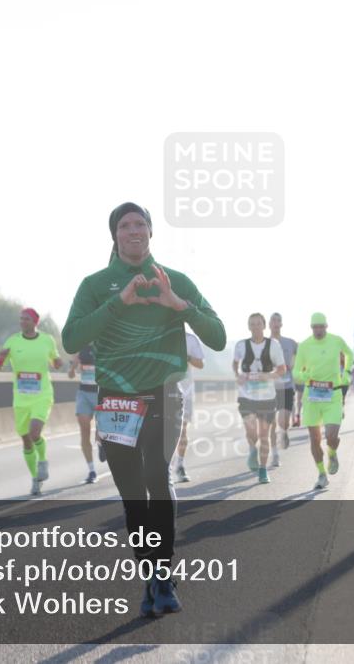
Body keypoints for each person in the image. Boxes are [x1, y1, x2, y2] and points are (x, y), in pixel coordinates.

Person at [62, 202, 225, 618]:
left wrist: (178, 305)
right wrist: (119, 303)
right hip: (117, 400)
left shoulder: (177, 280)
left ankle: (164, 577)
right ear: (114, 236)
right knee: (133, 497)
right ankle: (150, 574)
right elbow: (71, 338)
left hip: (166, 392)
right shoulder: (95, 284)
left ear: (151, 232)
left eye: (140, 224)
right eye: (124, 225)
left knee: (158, 475)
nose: (133, 231)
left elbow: (219, 337)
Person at [0, 307, 63, 496]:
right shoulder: (12, 341)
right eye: (21, 319)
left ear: (34, 322)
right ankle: (35, 479)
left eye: (26, 319)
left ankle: (43, 461)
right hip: (21, 398)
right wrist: (0, 359)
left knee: (34, 433)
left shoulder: (47, 340)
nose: (22, 321)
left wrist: (58, 363)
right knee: (25, 439)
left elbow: (56, 361)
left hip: (42, 395)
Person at [294, 313, 354, 490]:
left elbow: (349, 354)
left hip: (332, 395)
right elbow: (296, 373)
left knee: (331, 436)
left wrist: (347, 373)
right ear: (311, 328)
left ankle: (332, 452)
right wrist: (303, 375)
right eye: (315, 327)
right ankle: (321, 474)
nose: (318, 330)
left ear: (326, 327)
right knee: (314, 439)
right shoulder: (304, 346)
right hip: (312, 397)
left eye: (321, 326)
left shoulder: (336, 341)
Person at [232, 314, 286, 484]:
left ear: (264, 326)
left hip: (267, 398)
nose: (255, 327)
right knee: (251, 432)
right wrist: (238, 375)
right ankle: (252, 450)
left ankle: (263, 470)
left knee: (264, 435)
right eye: (252, 324)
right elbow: (235, 363)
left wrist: (268, 375)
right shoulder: (241, 345)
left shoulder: (273, 345)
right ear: (249, 327)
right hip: (246, 396)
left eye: (258, 324)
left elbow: (282, 369)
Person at [173, 331, 205, 483]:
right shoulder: (159, 333)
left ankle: (179, 465)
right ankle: (162, 467)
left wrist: (187, 357)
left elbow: (200, 364)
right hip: (163, 388)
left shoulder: (191, 339)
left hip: (185, 390)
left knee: (182, 429)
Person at [267, 312, 297, 458]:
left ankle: (284, 432)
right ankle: (274, 452)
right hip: (269, 387)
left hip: (286, 386)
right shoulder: (263, 343)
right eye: (273, 320)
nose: (276, 323)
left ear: (281, 324)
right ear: (269, 324)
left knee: (284, 420)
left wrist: (296, 365)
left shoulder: (290, 343)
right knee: (271, 421)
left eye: (278, 320)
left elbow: (303, 355)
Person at [68, 344, 99, 483]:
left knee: (103, 431)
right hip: (84, 393)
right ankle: (92, 470)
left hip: (100, 393)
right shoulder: (81, 348)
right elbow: (70, 375)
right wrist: (73, 367)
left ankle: (102, 444)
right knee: (84, 429)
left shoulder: (104, 344)